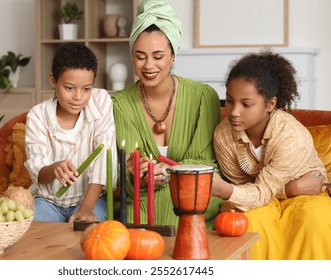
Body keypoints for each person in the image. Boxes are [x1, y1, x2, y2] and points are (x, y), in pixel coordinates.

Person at [112, 0, 223, 228]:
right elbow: (127, 177)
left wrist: (170, 171)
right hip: (141, 200)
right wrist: (139, 177)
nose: (148, 65)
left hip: (190, 197)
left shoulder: (203, 97)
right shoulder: (120, 104)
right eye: (140, 56)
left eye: (158, 56)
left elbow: (205, 164)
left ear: (173, 56)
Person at [212, 49, 331, 259]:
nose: (234, 112)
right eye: (229, 101)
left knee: (313, 220)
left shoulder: (290, 135)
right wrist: (288, 189)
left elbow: (256, 191)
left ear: (270, 104)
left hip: (307, 191)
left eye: (246, 104)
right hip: (262, 193)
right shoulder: (223, 135)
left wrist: (224, 190)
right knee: (250, 220)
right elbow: (248, 191)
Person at [24, 42, 117, 223]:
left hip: (91, 200)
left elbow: (104, 160)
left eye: (86, 89)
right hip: (48, 201)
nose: (78, 97)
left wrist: (86, 208)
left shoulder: (101, 101)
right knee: (34, 227)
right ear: (53, 80)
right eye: (69, 88)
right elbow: (39, 172)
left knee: (91, 232)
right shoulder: (38, 115)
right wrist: (54, 168)